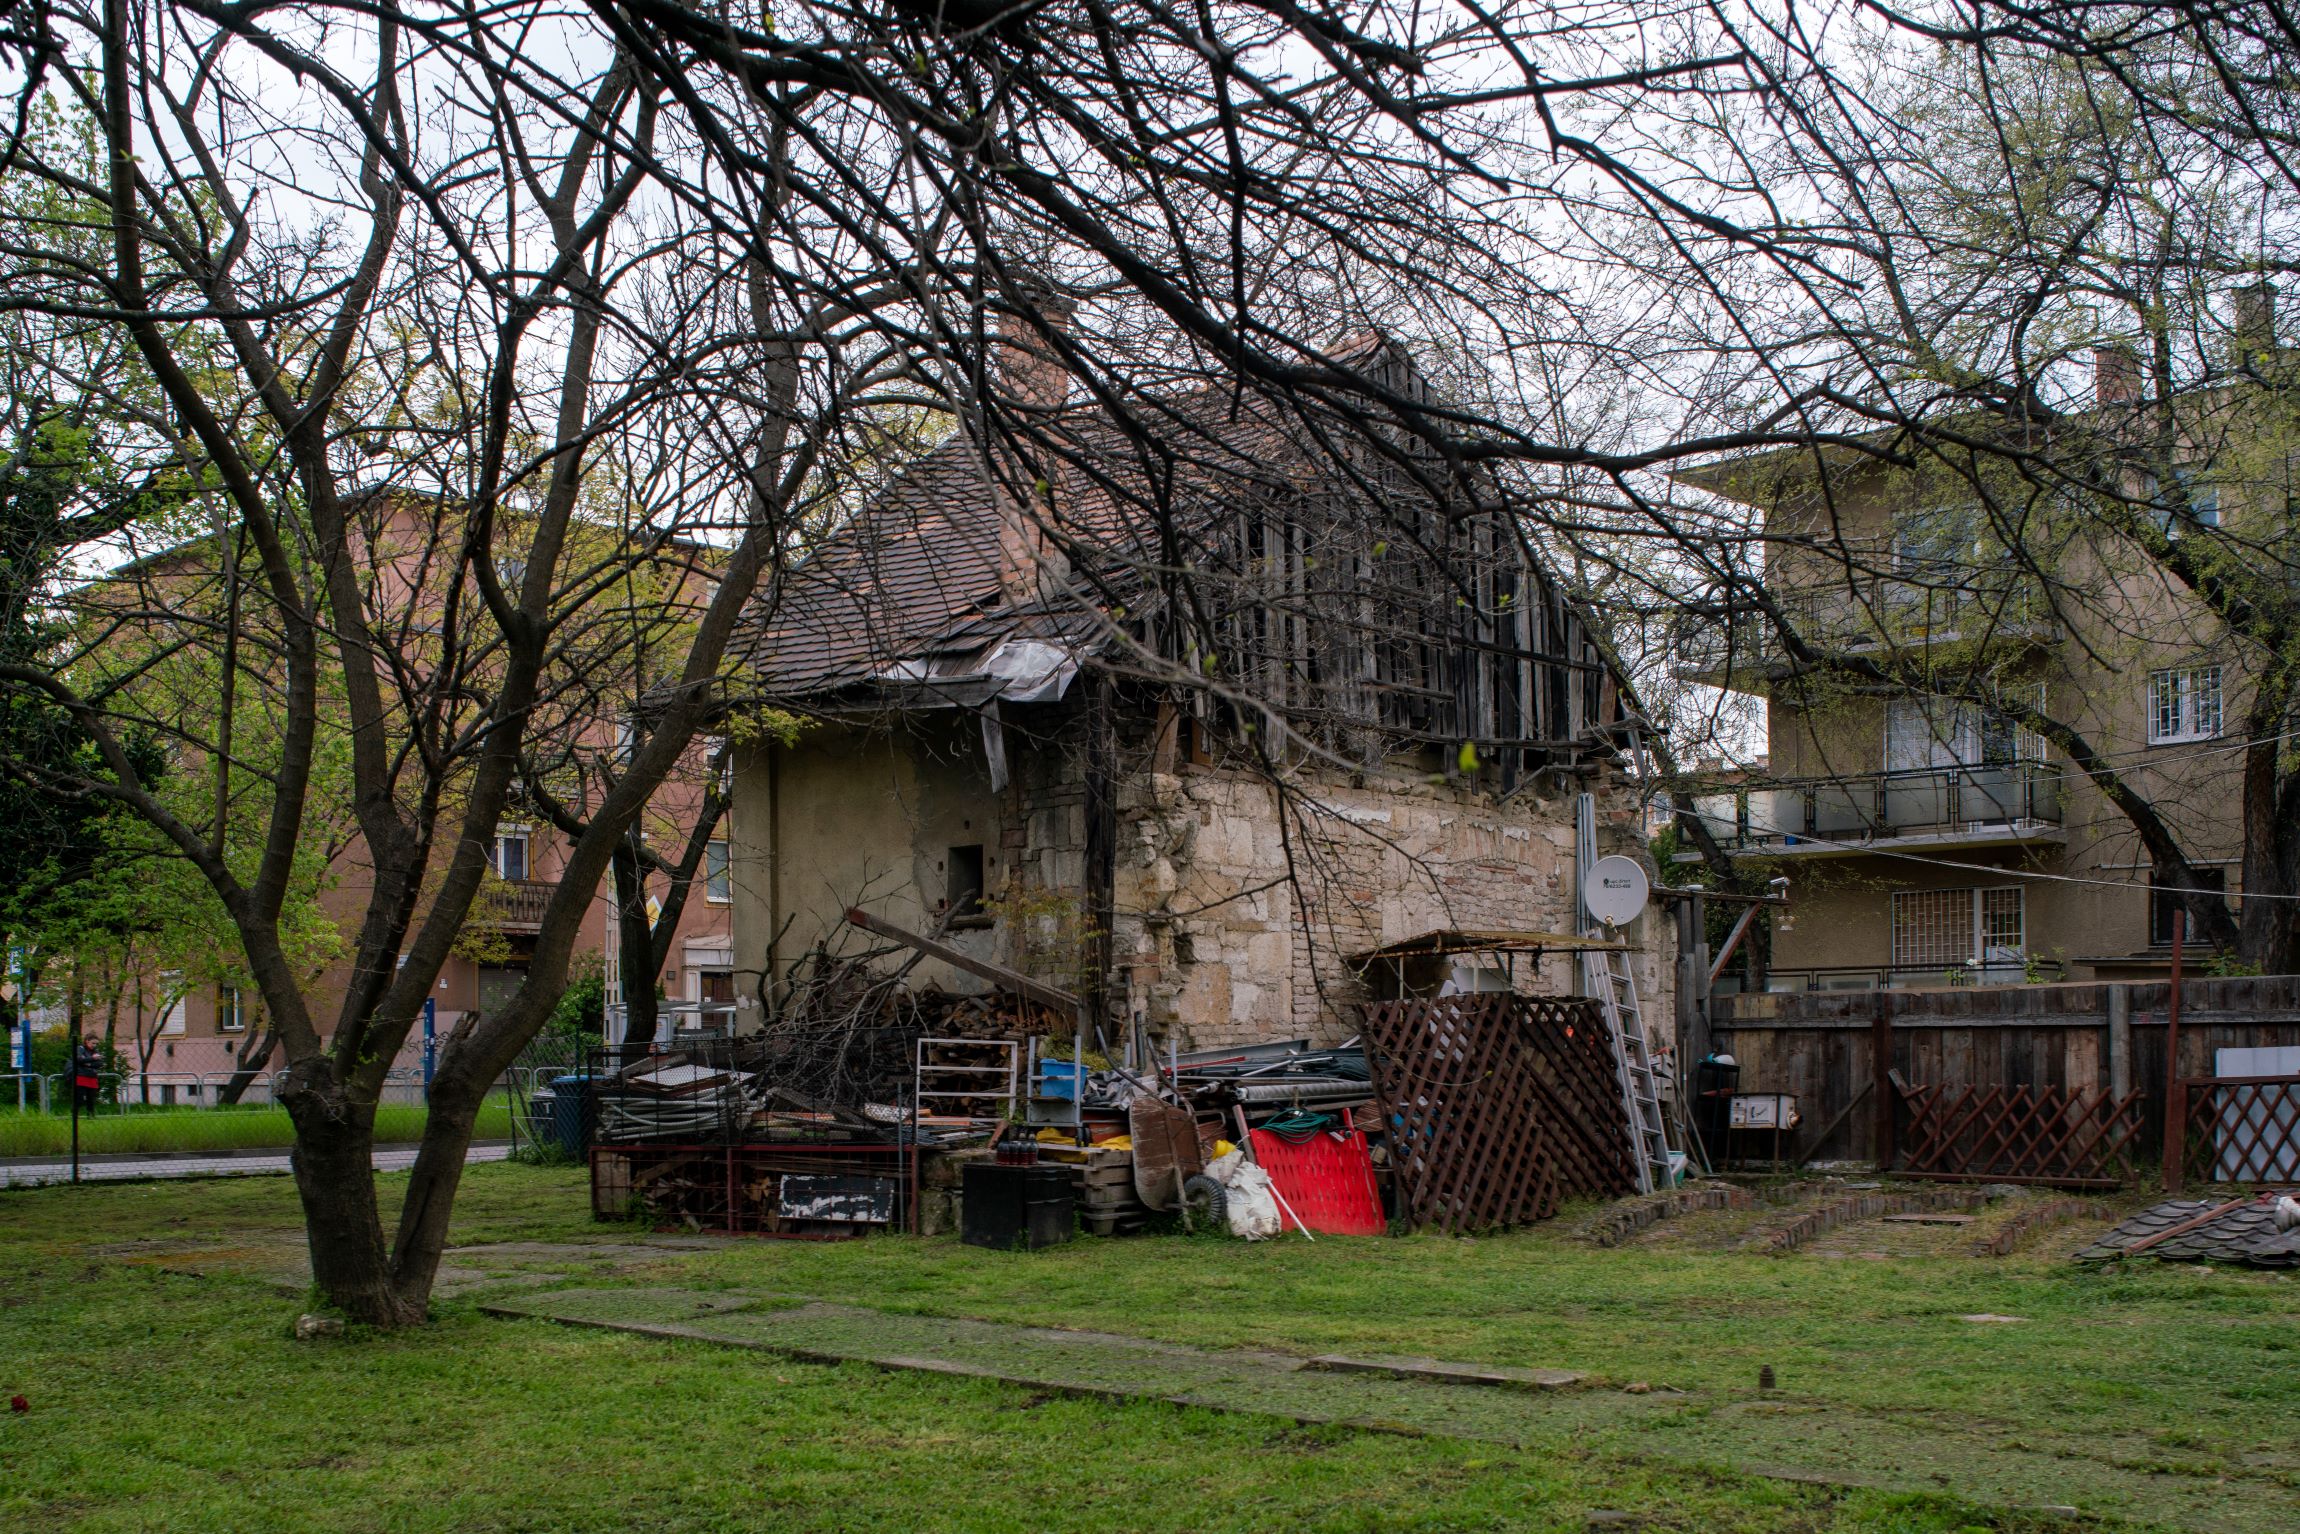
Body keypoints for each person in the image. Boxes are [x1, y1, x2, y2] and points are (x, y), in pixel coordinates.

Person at [72, 1036, 102, 1112]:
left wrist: (88, 1064)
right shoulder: (80, 1048)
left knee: (91, 1098)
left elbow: (99, 1063)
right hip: (81, 1076)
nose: (94, 1045)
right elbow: (78, 1060)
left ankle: (91, 1115)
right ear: (87, 1041)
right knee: (79, 1098)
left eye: (96, 1043)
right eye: (93, 1043)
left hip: (92, 1076)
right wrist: (93, 1058)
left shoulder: (96, 1051)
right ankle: (75, 1114)